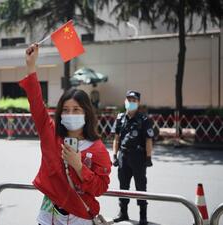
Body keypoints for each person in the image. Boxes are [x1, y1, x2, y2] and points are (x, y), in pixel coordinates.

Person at [19, 44, 111, 225]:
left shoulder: (98, 149)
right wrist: (31, 66)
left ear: (86, 113)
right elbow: (36, 102)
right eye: (66, 110)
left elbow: (100, 188)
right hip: (47, 216)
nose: (71, 114)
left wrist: (79, 166)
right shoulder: (50, 134)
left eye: (76, 110)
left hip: (80, 217)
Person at [112, 90, 154, 225]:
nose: (131, 103)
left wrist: (148, 157)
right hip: (123, 155)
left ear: (138, 103)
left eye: (134, 100)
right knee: (123, 186)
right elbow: (116, 139)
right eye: (129, 100)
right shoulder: (120, 118)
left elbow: (148, 140)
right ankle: (123, 213)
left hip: (138, 157)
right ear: (125, 101)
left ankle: (143, 216)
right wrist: (114, 155)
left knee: (140, 186)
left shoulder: (144, 119)